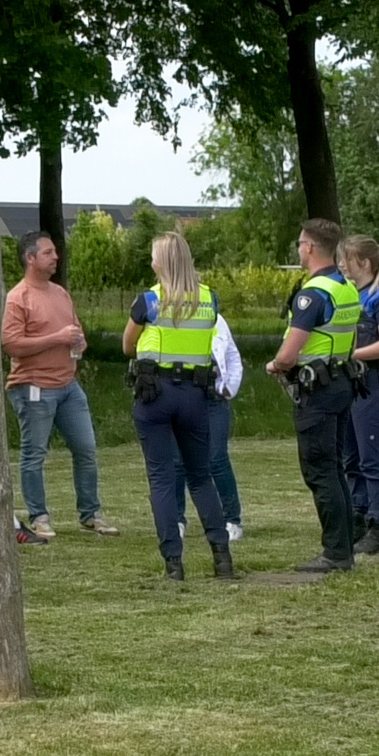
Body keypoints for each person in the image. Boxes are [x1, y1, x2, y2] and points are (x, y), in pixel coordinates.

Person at [122, 232, 234, 580]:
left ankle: (173, 562)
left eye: (154, 256)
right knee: (200, 477)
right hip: (195, 394)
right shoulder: (209, 300)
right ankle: (222, 556)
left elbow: (128, 345)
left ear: (160, 263)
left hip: (155, 393)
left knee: (162, 478)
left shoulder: (149, 301)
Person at [1, 230, 118, 539]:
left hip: (69, 385)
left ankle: (91, 513)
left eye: (54, 252)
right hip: (33, 387)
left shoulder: (60, 293)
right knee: (34, 453)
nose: (56, 257)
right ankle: (38, 516)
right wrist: (57, 338)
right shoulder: (18, 298)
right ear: (30, 258)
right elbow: (11, 344)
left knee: (86, 448)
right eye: (48, 253)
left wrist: (78, 341)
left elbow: (73, 330)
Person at [265, 218, 362, 572]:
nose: (298, 249)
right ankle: (344, 545)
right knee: (335, 467)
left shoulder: (313, 294)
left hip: (316, 389)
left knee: (320, 471)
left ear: (309, 247)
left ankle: (336, 554)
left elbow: (290, 354)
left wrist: (275, 365)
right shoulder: (346, 288)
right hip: (341, 380)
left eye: (299, 244)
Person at [340, 235, 379, 555]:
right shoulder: (354, 296)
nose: (341, 265)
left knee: (370, 456)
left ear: (363, 263)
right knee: (351, 457)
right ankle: (358, 516)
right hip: (352, 385)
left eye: (347, 260)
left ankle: (378, 524)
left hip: (373, 385)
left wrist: (352, 354)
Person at [171, 309, 246, 543]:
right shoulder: (167, 318)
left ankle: (231, 519)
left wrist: (229, 387)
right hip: (182, 395)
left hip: (214, 397)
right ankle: (177, 520)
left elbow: (232, 355)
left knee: (216, 458)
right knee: (178, 460)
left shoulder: (214, 318)